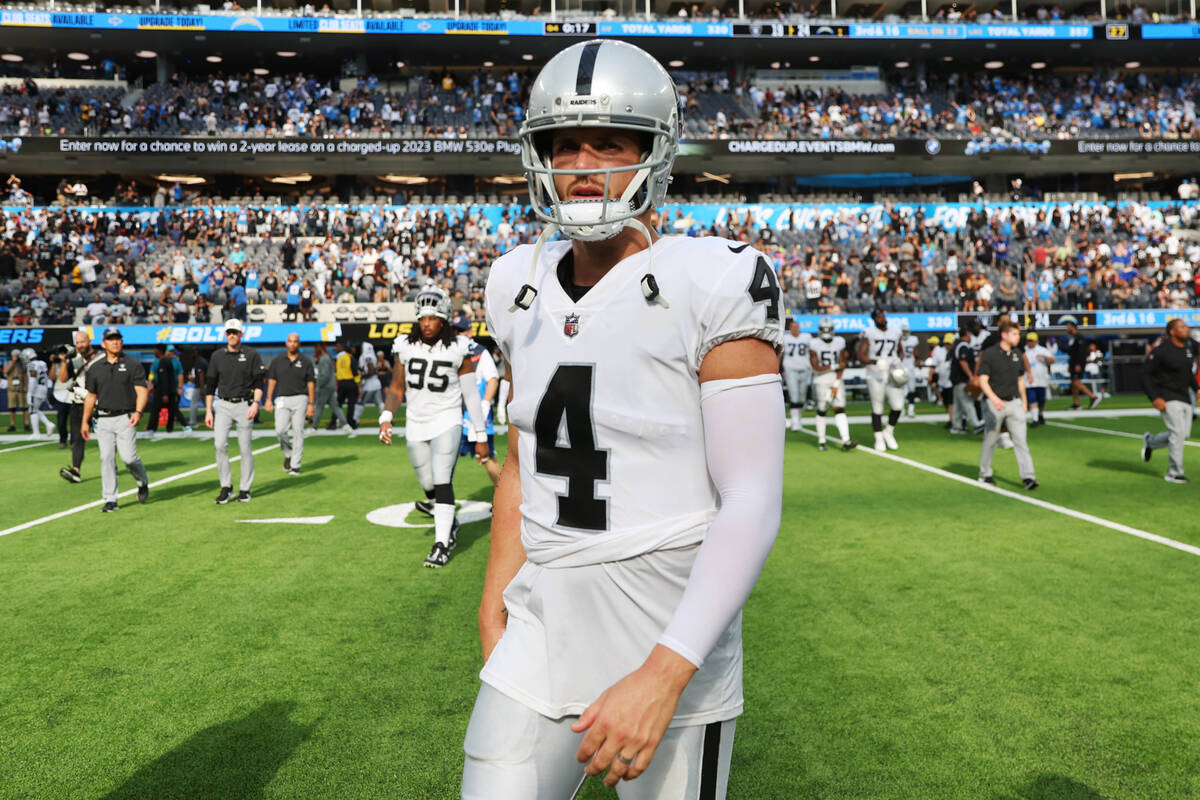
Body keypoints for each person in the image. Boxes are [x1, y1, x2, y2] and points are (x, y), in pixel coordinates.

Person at [465, 40, 783, 799]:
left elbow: (751, 498)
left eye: (610, 141)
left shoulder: (715, 277)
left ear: (655, 152)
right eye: (564, 143)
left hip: (667, 621)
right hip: (542, 619)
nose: (583, 163)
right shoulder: (513, 281)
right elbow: (524, 458)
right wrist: (493, 599)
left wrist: (668, 668)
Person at [379, 287, 489, 568]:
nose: (427, 323)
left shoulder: (457, 347)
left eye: (433, 318)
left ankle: (441, 544)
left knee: (442, 480)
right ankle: (448, 522)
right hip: (416, 421)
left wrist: (479, 434)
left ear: (444, 319)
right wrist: (386, 417)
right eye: (423, 318)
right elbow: (396, 387)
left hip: (447, 419)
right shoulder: (405, 345)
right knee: (428, 484)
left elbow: (470, 394)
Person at [79, 328, 150, 512]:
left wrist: (138, 411)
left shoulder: (133, 364)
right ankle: (110, 499)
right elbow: (91, 397)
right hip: (103, 419)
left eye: (118, 338)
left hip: (125, 417)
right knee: (106, 458)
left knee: (129, 458)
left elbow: (142, 390)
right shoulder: (95, 368)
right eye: (111, 339)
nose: (115, 342)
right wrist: (85, 421)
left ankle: (142, 482)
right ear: (103, 344)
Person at [205, 317, 266, 504]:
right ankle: (226, 486)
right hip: (222, 404)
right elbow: (210, 385)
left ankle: (245, 488)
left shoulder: (251, 354)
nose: (232, 336)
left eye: (235, 333)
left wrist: (256, 403)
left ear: (241, 334)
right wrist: (208, 410)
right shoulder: (217, 356)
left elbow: (258, 382)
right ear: (225, 335)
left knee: (245, 448)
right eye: (229, 333)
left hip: (244, 404)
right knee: (219, 444)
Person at [976, 317, 1037, 490]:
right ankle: (985, 473)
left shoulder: (1017, 354)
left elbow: (1020, 380)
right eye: (1014, 334)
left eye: (1018, 334)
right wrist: (994, 399)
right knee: (990, 439)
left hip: (1014, 402)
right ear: (1004, 335)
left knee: (1021, 441)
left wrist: (1024, 402)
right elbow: (983, 380)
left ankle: (1028, 477)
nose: (1018, 337)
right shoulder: (990, 354)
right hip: (995, 403)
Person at [1141, 318, 1197, 484]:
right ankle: (1174, 472)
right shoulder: (1162, 350)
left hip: (1185, 395)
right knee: (1178, 433)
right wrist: (1155, 397)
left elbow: (1188, 373)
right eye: (1182, 327)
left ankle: (1151, 441)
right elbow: (1145, 373)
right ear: (1172, 332)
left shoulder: (1188, 347)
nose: (1186, 329)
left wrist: (1197, 389)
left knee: (1183, 434)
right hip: (1167, 396)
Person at [265, 332, 315, 476]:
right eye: (290, 341)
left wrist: (311, 403)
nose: (293, 343)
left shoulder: (306, 361)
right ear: (286, 343)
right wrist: (268, 399)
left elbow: (310, 383)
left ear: (299, 344)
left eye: (295, 341)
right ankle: (288, 454)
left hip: (301, 398)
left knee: (298, 432)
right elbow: (272, 380)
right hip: (282, 399)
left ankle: (295, 465)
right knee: (280, 430)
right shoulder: (277, 361)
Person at [60, 329, 104, 483]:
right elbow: (63, 378)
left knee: (106, 438)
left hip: (99, 403)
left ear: (89, 341)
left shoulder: (101, 357)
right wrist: (64, 360)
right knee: (76, 439)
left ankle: (110, 465)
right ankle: (76, 470)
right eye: (77, 342)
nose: (80, 345)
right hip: (79, 403)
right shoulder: (75, 360)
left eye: (82, 342)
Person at [459, 331, 503, 487]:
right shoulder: (450, 348)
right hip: (454, 409)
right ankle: (440, 499)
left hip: (475, 412)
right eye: (456, 330)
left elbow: (493, 379)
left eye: (462, 330)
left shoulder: (479, 352)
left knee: (487, 456)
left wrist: (485, 405)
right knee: (445, 453)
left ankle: (504, 498)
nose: (459, 334)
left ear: (470, 332)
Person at [857, 308, 904, 451]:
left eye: (883, 315)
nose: (882, 318)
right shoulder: (869, 332)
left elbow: (900, 350)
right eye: (879, 317)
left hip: (892, 373)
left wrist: (898, 360)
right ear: (874, 319)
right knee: (877, 406)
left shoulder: (896, 332)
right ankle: (878, 437)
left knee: (898, 406)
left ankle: (888, 432)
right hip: (875, 374)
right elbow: (861, 355)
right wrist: (874, 362)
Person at [810, 316, 858, 452]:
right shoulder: (814, 343)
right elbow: (816, 368)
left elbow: (843, 364)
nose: (826, 332)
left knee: (840, 408)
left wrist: (836, 383)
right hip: (820, 381)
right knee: (822, 410)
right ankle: (821, 440)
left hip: (835, 379)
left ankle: (845, 439)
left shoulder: (839, 342)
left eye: (828, 329)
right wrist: (834, 366)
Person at [1061, 316, 1102, 410]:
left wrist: (1078, 364)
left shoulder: (1079, 338)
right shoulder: (1073, 338)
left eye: (1068, 326)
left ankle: (1093, 397)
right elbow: (1071, 352)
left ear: (1072, 326)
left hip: (1078, 364)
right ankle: (1076, 403)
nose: (1067, 328)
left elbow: (1081, 353)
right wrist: (1070, 364)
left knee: (1076, 382)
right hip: (1073, 363)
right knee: (1073, 383)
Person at [311, 341, 352, 434]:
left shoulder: (324, 358)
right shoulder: (326, 357)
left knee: (319, 407)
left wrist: (319, 385)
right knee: (335, 407)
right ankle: (346, 425)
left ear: (319, 347)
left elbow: (324, 375)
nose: (315, 350)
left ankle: (314, 427)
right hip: (330, 386)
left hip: (324, 387)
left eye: (316, 347)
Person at [780, 318, 812, 431]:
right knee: (794, 396)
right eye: (793, 327)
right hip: (791, 369)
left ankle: (799, 418)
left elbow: (812, 353)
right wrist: (780, 369)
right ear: (790, 328)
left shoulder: (807, 337)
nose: (795, 329)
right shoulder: (786, 338)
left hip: (805, 369)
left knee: (802, 397)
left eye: (796, 327)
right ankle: (795, 422)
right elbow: (781, 354)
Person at [950, 327, 983, 435]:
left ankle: (957, 427)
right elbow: (963, 362)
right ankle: (976, 424)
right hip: (961, 379)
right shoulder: (963, 346)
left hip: (957, 379)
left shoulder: (958, 345)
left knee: (958, 405)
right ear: (967, 334)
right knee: (967, 402)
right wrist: (970, 376)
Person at [145, 343, 183, 436]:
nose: (170, 353)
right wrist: (150, 384)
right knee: (157, 408)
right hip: (160, 387)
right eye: (169, 351)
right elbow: (152, 373)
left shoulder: (175, 361)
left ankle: (169, 428)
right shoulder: (158, 361)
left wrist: (180, 387)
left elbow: (180, 374)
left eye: (172, 351)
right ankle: (152, 428)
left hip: (170, 387)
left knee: (172, 408)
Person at [22, 347, 54, 439]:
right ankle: (48, 424)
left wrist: (29, 393)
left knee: (32, 410)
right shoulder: (42, 363)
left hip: (36, 389)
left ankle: (36, 433)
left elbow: (33, 379)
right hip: (43, 387)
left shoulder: (31, 365)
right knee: (34, 410)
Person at [1025, 332, 1053, 427]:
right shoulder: (1024, 351)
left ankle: (1040, 415)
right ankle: (1035, 420)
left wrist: (1044, 357)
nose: (1030, 342)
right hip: (1029, 381)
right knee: (1032, 400)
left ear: (1036, 341)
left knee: (1042, 401)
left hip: (1041, 380)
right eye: (1029, 340)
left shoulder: (1043, 350)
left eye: (1032, 341)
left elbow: (1052, 360)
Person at [355, 341, 383, 426]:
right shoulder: (372, 356)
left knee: (361, 402)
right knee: (380, 403)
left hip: (369, 385)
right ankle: (387, 419)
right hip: (376, 383)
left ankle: (355, 419)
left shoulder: (367, 357)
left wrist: (363, 376)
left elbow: (370, 369)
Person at [334, 340, 360, 430]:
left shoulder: (340, 358)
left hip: (341, 383)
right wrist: (359, 387)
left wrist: (337, 385)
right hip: (350, 383)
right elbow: (355, 374)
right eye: (353, 348)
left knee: (338, 404)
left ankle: (333, 422)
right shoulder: (351, 358)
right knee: (351, 404)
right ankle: (350, 422)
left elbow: (336, 373)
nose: (355, 349)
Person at [899, 319, 920, 417]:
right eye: (903, 331)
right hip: (900, 367)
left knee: (911, 389)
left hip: (910, 366)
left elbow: (915, 351)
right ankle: (901, 409)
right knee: (901, 390)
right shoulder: (898, 340)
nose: (905, 333)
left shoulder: (913, 339)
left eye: (906, 331)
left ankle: (911, 409)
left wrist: (917, 360)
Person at [5, 348, 28, 432]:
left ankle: (26, 424)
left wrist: (26, 387)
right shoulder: (9, 363)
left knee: (24, 407)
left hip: (21, 389)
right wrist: (13, 362)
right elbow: (5, 371)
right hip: (12, 389)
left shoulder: (23, 365)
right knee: (12, 408)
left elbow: (25, 376)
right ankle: (12, 424)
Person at [185, 348, 208, 431]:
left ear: (196, 353)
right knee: (208, 405)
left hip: (200, 386)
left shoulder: (199, 361)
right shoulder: (200, 361)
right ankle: (217, 419)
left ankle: (193, 422)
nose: (192, 355)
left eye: (193, 353)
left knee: (193, 404)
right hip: (202, 385)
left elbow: (201, 375)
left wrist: (201, 388)